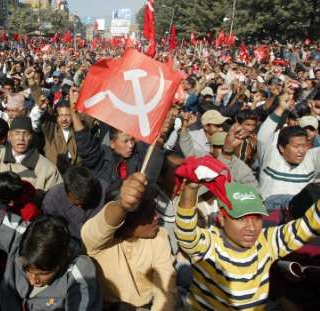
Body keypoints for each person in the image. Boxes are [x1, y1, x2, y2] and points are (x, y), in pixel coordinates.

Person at [0, 165, 102, 310]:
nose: (33, 280)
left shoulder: (80, 270)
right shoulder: (20, 235)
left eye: (42, 273)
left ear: (62, 260)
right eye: (27, 269)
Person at [175, 180, 320, 310]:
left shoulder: (267, 242)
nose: (251, 227)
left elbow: (308, 225)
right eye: (241, 219)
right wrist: (190, 189)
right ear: (221, 218)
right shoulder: (209, 244)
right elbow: (186, 233)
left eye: (257, 217)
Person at [81, 173, 177, 310]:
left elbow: (166, 290)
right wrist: (122, 205)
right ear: (128, 221)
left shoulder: (160, 237)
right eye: (149, 215)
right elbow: (100, 227)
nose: (156, 218)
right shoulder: (97, 241)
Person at [0, 116, 62, 192]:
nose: (21, 138)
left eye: (26, 134)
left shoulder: (47, 168)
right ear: (9, 136)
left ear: (31, 137)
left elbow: (55, 199)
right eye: (17, 133)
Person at [257, 94, 320, 210]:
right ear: (281, 147)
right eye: (296, 146)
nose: (301, 151)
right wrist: (280, 108)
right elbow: (263, 136)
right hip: (269, 216)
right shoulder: (271, 158)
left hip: (298, 221)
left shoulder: (312, 158)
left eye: (304, 146)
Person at [42, 166, 107, 242]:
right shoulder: (51, 202)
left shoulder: (104, 190)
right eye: (76, 204)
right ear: (66, 191)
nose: (80, 207)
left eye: (85, 202)